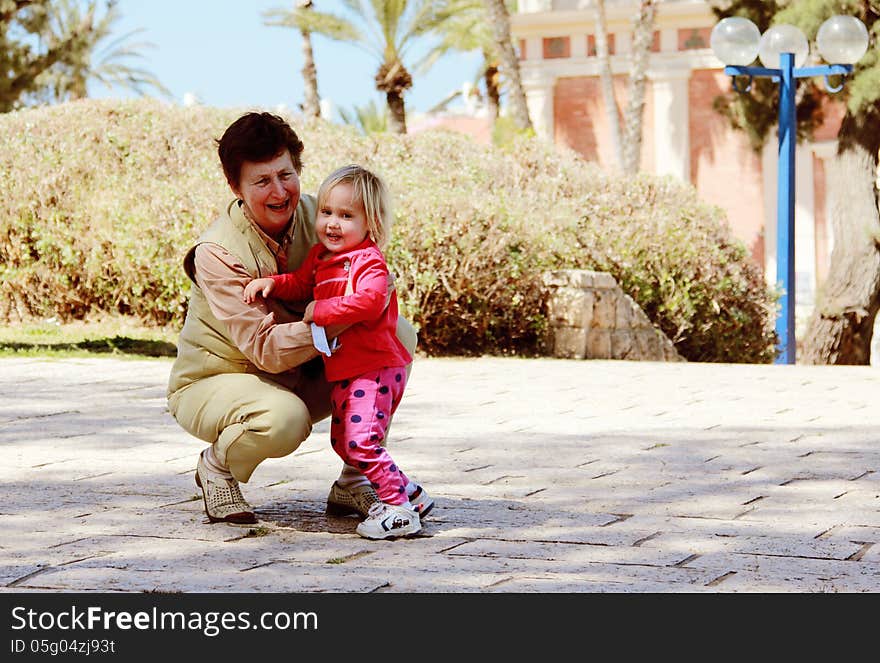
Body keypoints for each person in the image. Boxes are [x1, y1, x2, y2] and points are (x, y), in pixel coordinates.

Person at [165, 112, 432, 528]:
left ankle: (356, 476)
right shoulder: (216, 252)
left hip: (305, 365)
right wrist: (344, 315)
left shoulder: (326, 214)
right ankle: (216, 466)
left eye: (285, 174)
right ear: (234, 187)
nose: (279, 191)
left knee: (395, 336)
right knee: (284, 419)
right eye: (261, 181)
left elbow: (376, 279)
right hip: (219, 380)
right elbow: (267, 351)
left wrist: (363, 303)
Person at [243, 164, 427, 539]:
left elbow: (371, 302)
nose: (332, 224)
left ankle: (399, 509)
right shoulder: (321, 258)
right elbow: (299, 283)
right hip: (347, 369)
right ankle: (411, 493)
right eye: (327, 212)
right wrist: (272, 285)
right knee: (344, 442)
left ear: (370, 223)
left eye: (346, 216)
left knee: (362, 442)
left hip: (374, 368)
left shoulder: (368, 261)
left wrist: (320, 312)